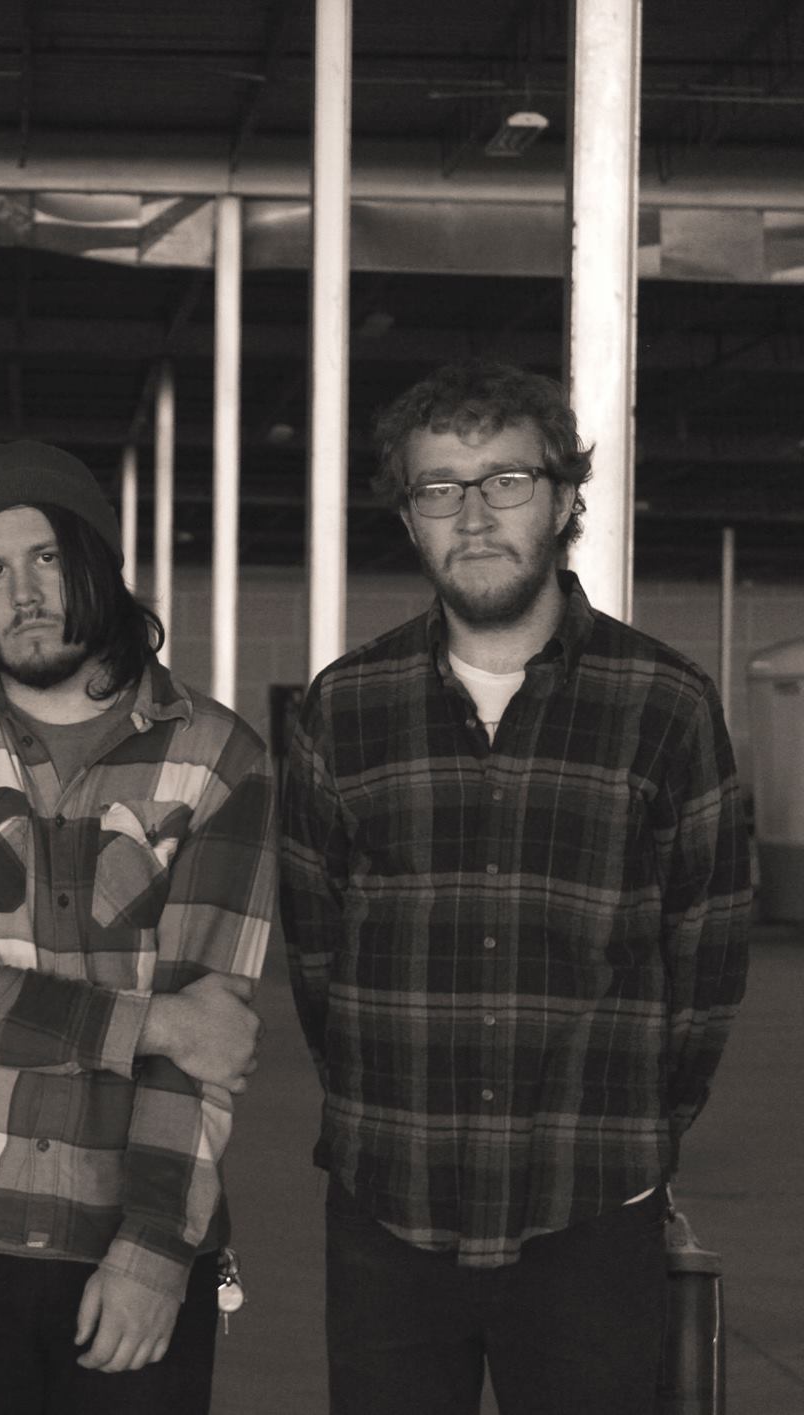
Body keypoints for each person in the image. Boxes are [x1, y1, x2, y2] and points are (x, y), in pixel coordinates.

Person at [278, 358, 753, 1415]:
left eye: (505, 479)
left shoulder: (663, 704)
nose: (474, 513)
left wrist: (635, 1131)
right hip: (385, 1207)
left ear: (566, 495)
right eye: (438, 487)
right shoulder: (340, 710)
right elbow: (313, 953)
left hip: (587, 1207)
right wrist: (378, 1098)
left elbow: (707, 954)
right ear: (408, 518)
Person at [0, 440, 275, 1415]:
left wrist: (157, 1246)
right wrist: (151, 1023)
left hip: (132, 1227)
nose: (22, 591)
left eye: (43, 556)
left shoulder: (219, 760)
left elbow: (208, 1034)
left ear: (94, 561)